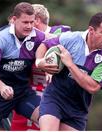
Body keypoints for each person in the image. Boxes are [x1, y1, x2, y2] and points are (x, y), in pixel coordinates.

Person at [36, 12, 102, 130]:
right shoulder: (71, 38)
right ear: (91, 30)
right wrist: (39, 62)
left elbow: (93, 87)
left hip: (77, 109)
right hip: (54, 99)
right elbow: (44, 45)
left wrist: (70, 64)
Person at [0, 2, 46, 130]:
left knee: (47, 118)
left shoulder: (37, 37)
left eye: (32, 22)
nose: (29, 26)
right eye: (25, 22)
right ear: (14, 20)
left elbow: (54, 40)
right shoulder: (0, 37)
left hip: (23, 93)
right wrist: (2, 87)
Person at [10, 3, 71, 131]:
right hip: (30, 99)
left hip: (53, 100)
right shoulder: (22, 40)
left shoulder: (60, 32)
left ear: (36, 20)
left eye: (29, 21)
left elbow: (64, 40)